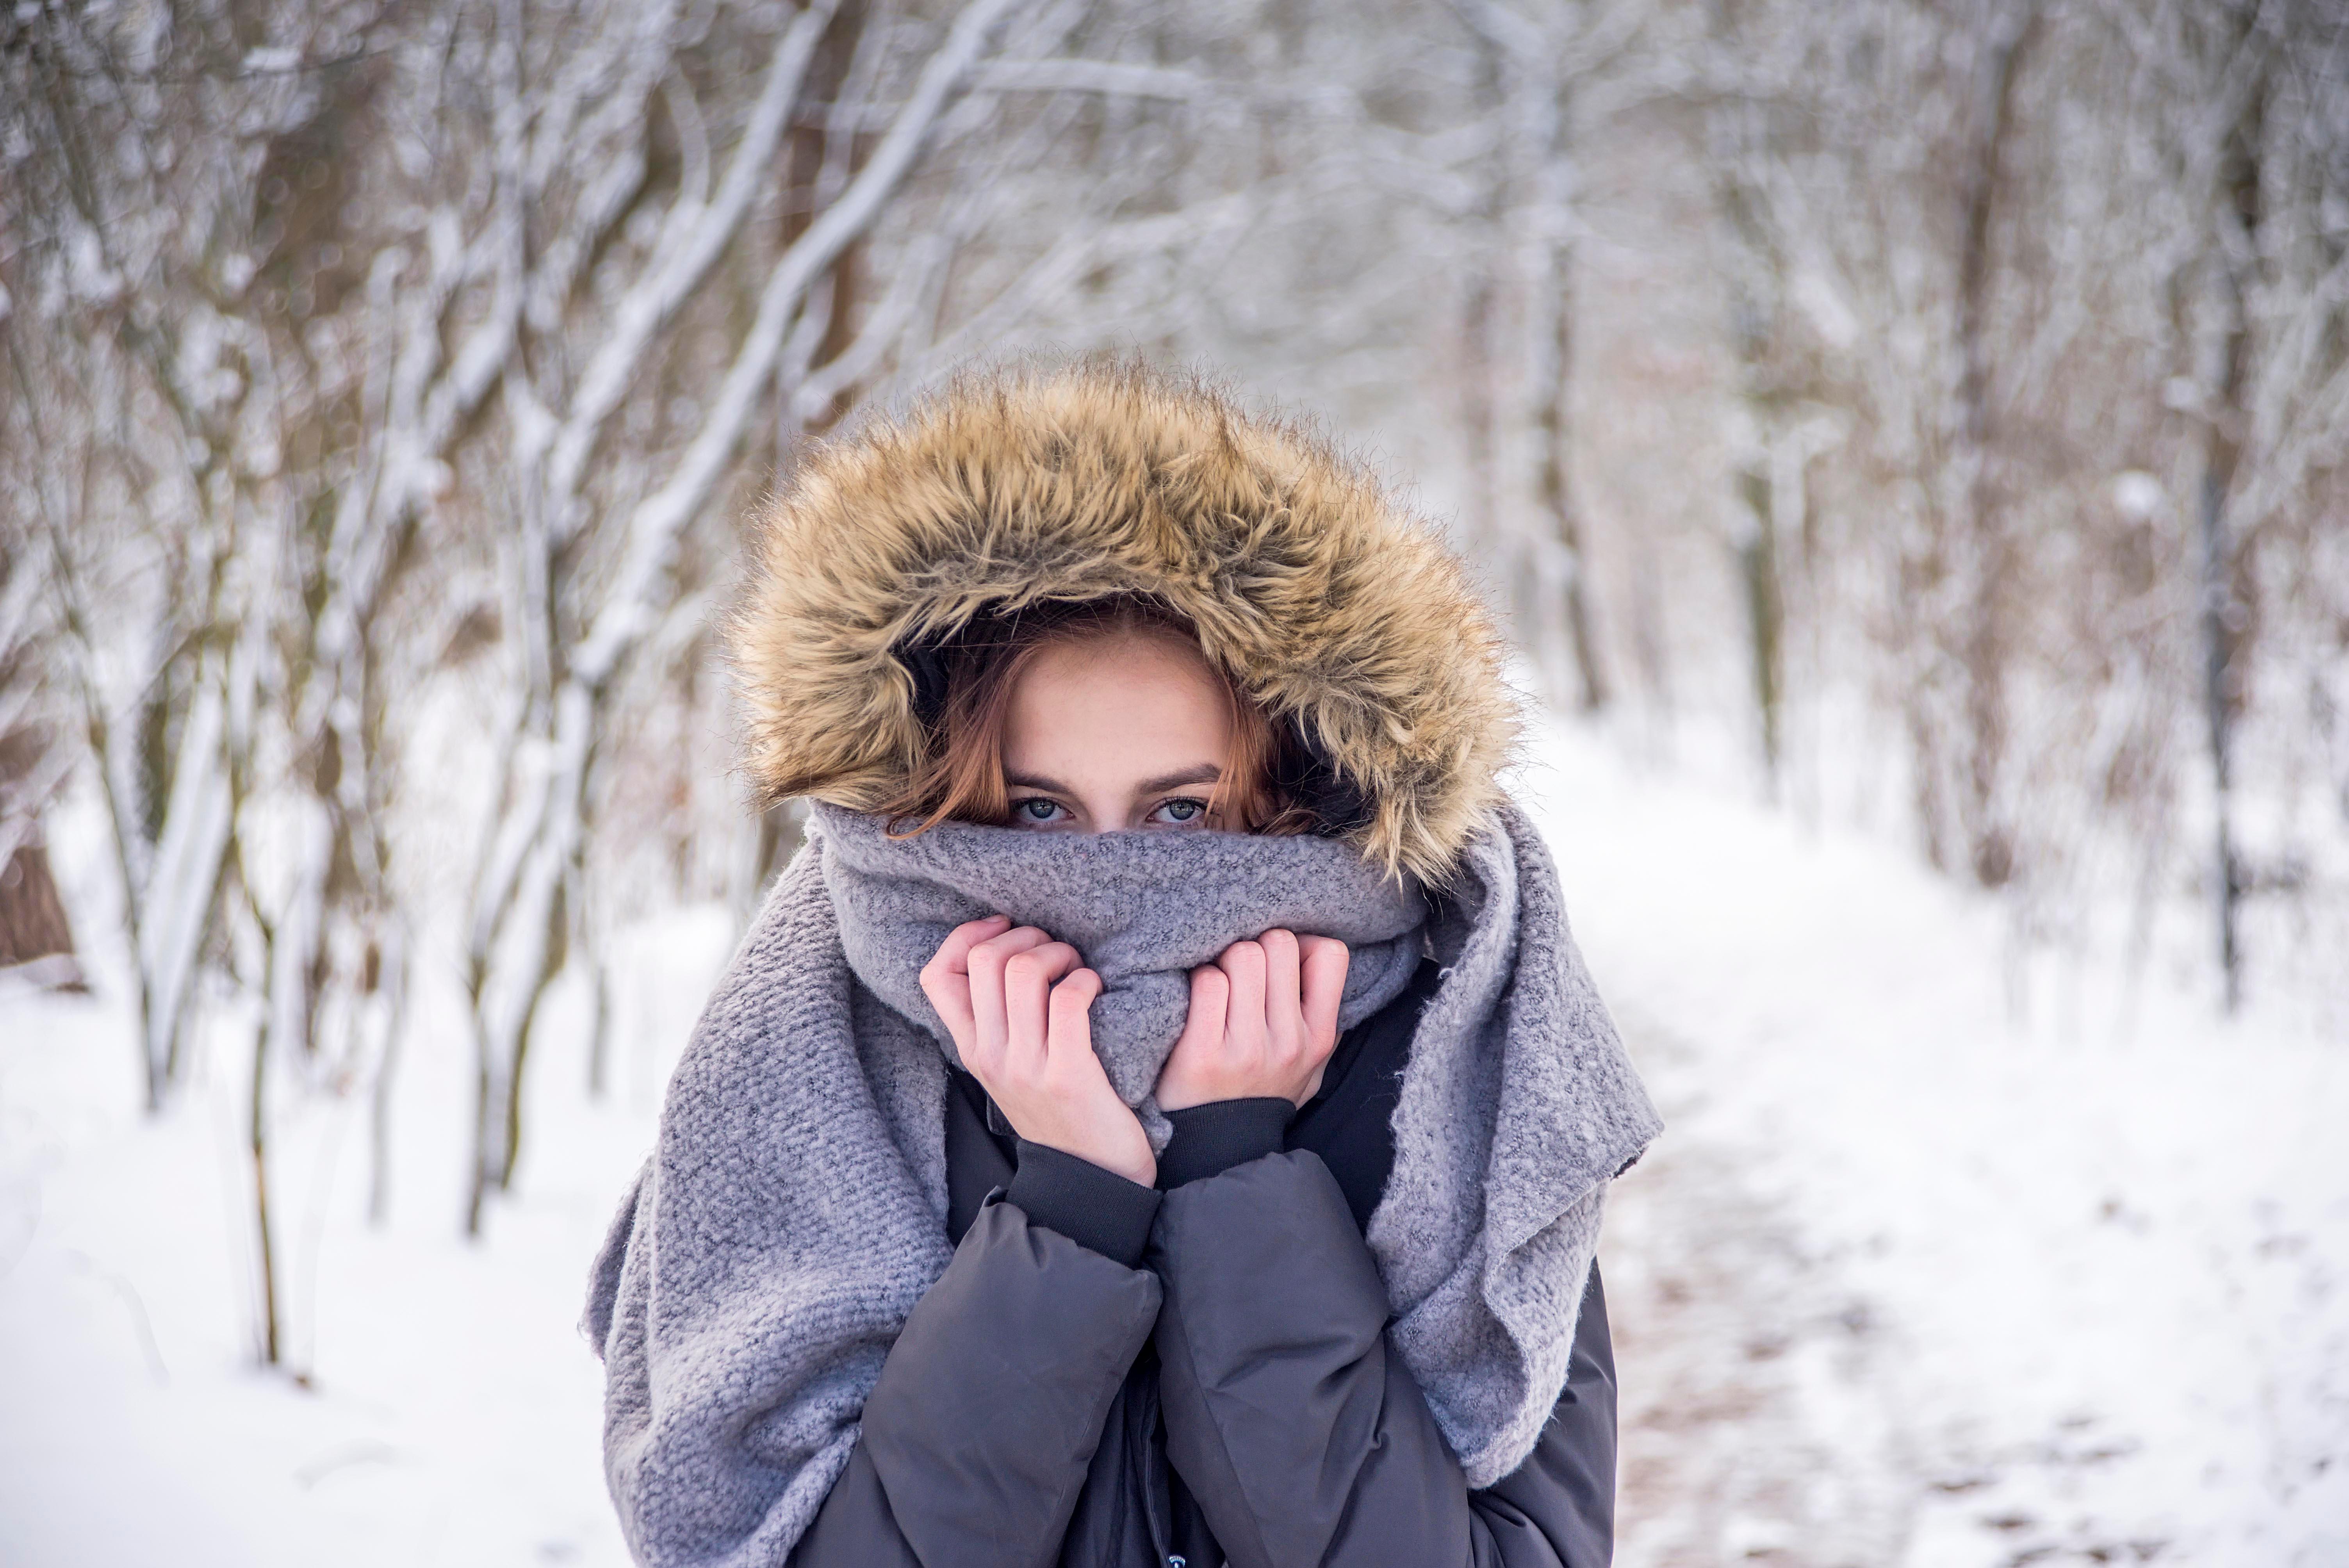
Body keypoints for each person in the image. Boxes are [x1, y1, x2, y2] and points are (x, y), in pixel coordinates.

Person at [584, 363, 1661, 1568]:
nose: (1104, 878)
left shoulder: (1446, 1054)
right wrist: (1070, 1208)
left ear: (1297, 790)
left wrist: (1236, 1178)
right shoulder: (825, 1046)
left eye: (1181, 816)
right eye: (1039, 813)